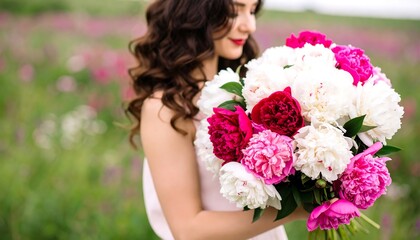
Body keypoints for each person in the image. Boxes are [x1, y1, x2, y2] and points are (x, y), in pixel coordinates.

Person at [126, 0, 308, 239]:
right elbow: (188, 230)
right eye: (235, 11)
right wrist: (301, 207)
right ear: (195, 10)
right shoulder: (166, 109)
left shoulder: (246, 92)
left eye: (252, 11)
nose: (249, 25)